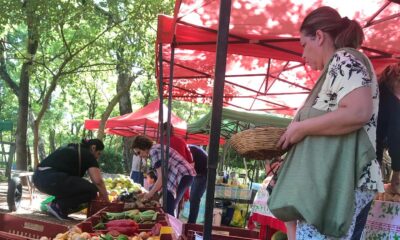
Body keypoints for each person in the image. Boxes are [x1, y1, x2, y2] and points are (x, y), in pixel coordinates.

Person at [269, 6, 384, 239]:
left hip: (343, 176)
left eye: (303, 44)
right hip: (346, 176)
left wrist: (301, 128)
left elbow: (358, 111)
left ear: (319, 37)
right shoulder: (342, 65)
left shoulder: (344, 58)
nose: (302, 55)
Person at [33, 139, 109, 220]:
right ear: (93, 148)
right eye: (98, 153)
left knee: (79, 186)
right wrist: (106, 200)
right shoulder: (87, 154)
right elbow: (98, 181)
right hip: (50, 179)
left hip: (39, 178)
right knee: (92, 190)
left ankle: (55, 205)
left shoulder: (73, 148)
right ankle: (58, 206)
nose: (97, 157)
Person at [132, 135, 196, 216]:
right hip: (184, 175)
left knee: (168, 205)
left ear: (143, 147)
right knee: (169, 204)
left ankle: (170, 227)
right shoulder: (156, 148)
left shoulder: (153, 152)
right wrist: (151, 193)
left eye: (138, 152)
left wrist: (149, 194)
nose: (139, 155)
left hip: (182, 175)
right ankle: (170, 225)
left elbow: (162, 178)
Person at [376, 63, 400, 193]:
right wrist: (396, 176)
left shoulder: (373, 93)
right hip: (370, 159)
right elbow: (396, 141)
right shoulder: (393, 104)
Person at [187, 144, 208, 223]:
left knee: (194, 199)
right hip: (198, 173)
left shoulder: (189, 151)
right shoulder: (189, 148)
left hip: (203, 174)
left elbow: (189, 169)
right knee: (193, 199)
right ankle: (191, 223)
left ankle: (191, 224)